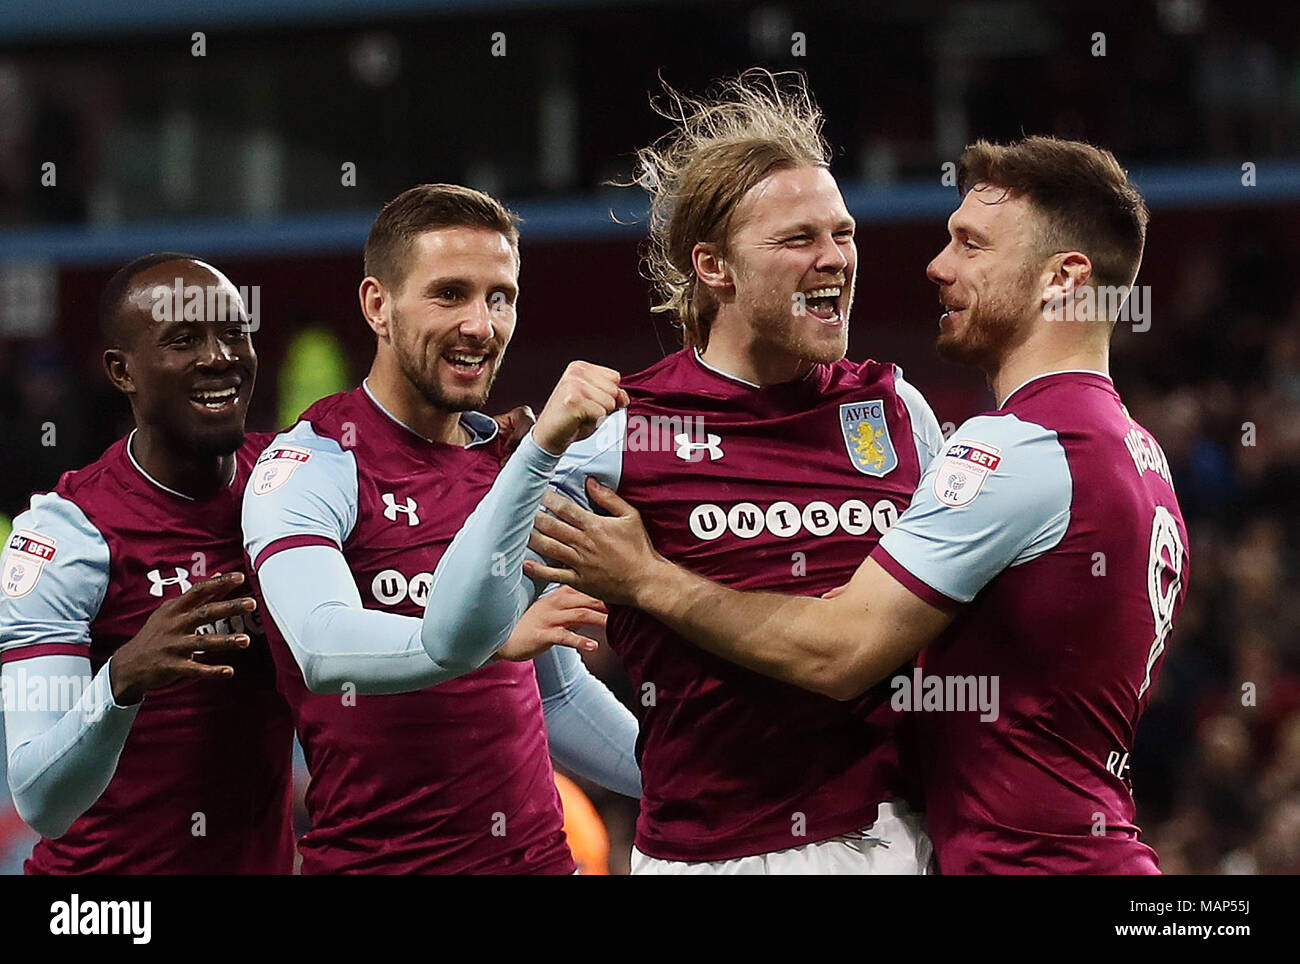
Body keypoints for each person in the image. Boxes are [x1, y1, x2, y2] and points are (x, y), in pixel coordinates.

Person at [530, 136, 1189, 875]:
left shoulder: (1011, 452)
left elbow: (839, 650)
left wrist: (647, 578)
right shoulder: (1139, 453)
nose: (936, 267)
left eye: (970, 245)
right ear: (713, 267)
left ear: (1063, 278)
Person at [421, 70, 944, 874]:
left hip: (892, 842)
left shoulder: (896, 412)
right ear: (714, 266)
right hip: (707, 861)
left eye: (842, 233)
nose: (835, 259)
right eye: (799, 239)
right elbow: (456, 631)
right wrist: (537, 453)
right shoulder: (618, 438)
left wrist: (650, 579)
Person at [241, 184, 640, 874]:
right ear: (378, 306)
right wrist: (486, 642)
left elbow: (557, 697)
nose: (482, 325)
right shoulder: (313, 464)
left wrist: (696, 779)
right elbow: (322, 646)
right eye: (449, 294)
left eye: (500, 296)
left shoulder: (507, 466)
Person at [0, 253, 294, 873]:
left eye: (235, 332)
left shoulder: (295, 489)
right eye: (183, 340)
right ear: (121, 371)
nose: (220, 357)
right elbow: (38, 799)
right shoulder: (63, 537)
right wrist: (122, 679)